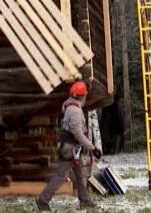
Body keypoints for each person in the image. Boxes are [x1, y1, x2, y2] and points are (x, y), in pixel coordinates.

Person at [37, 80, 102, 211]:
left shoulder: (69, 105)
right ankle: (43, 200)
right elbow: (78, 133)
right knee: (61, 175)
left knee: (80, 173)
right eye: (84, 94)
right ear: (82, 95)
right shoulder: (75, 111)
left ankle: (85, 200)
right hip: (69, 147)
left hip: (72, 146)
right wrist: (92, 148)